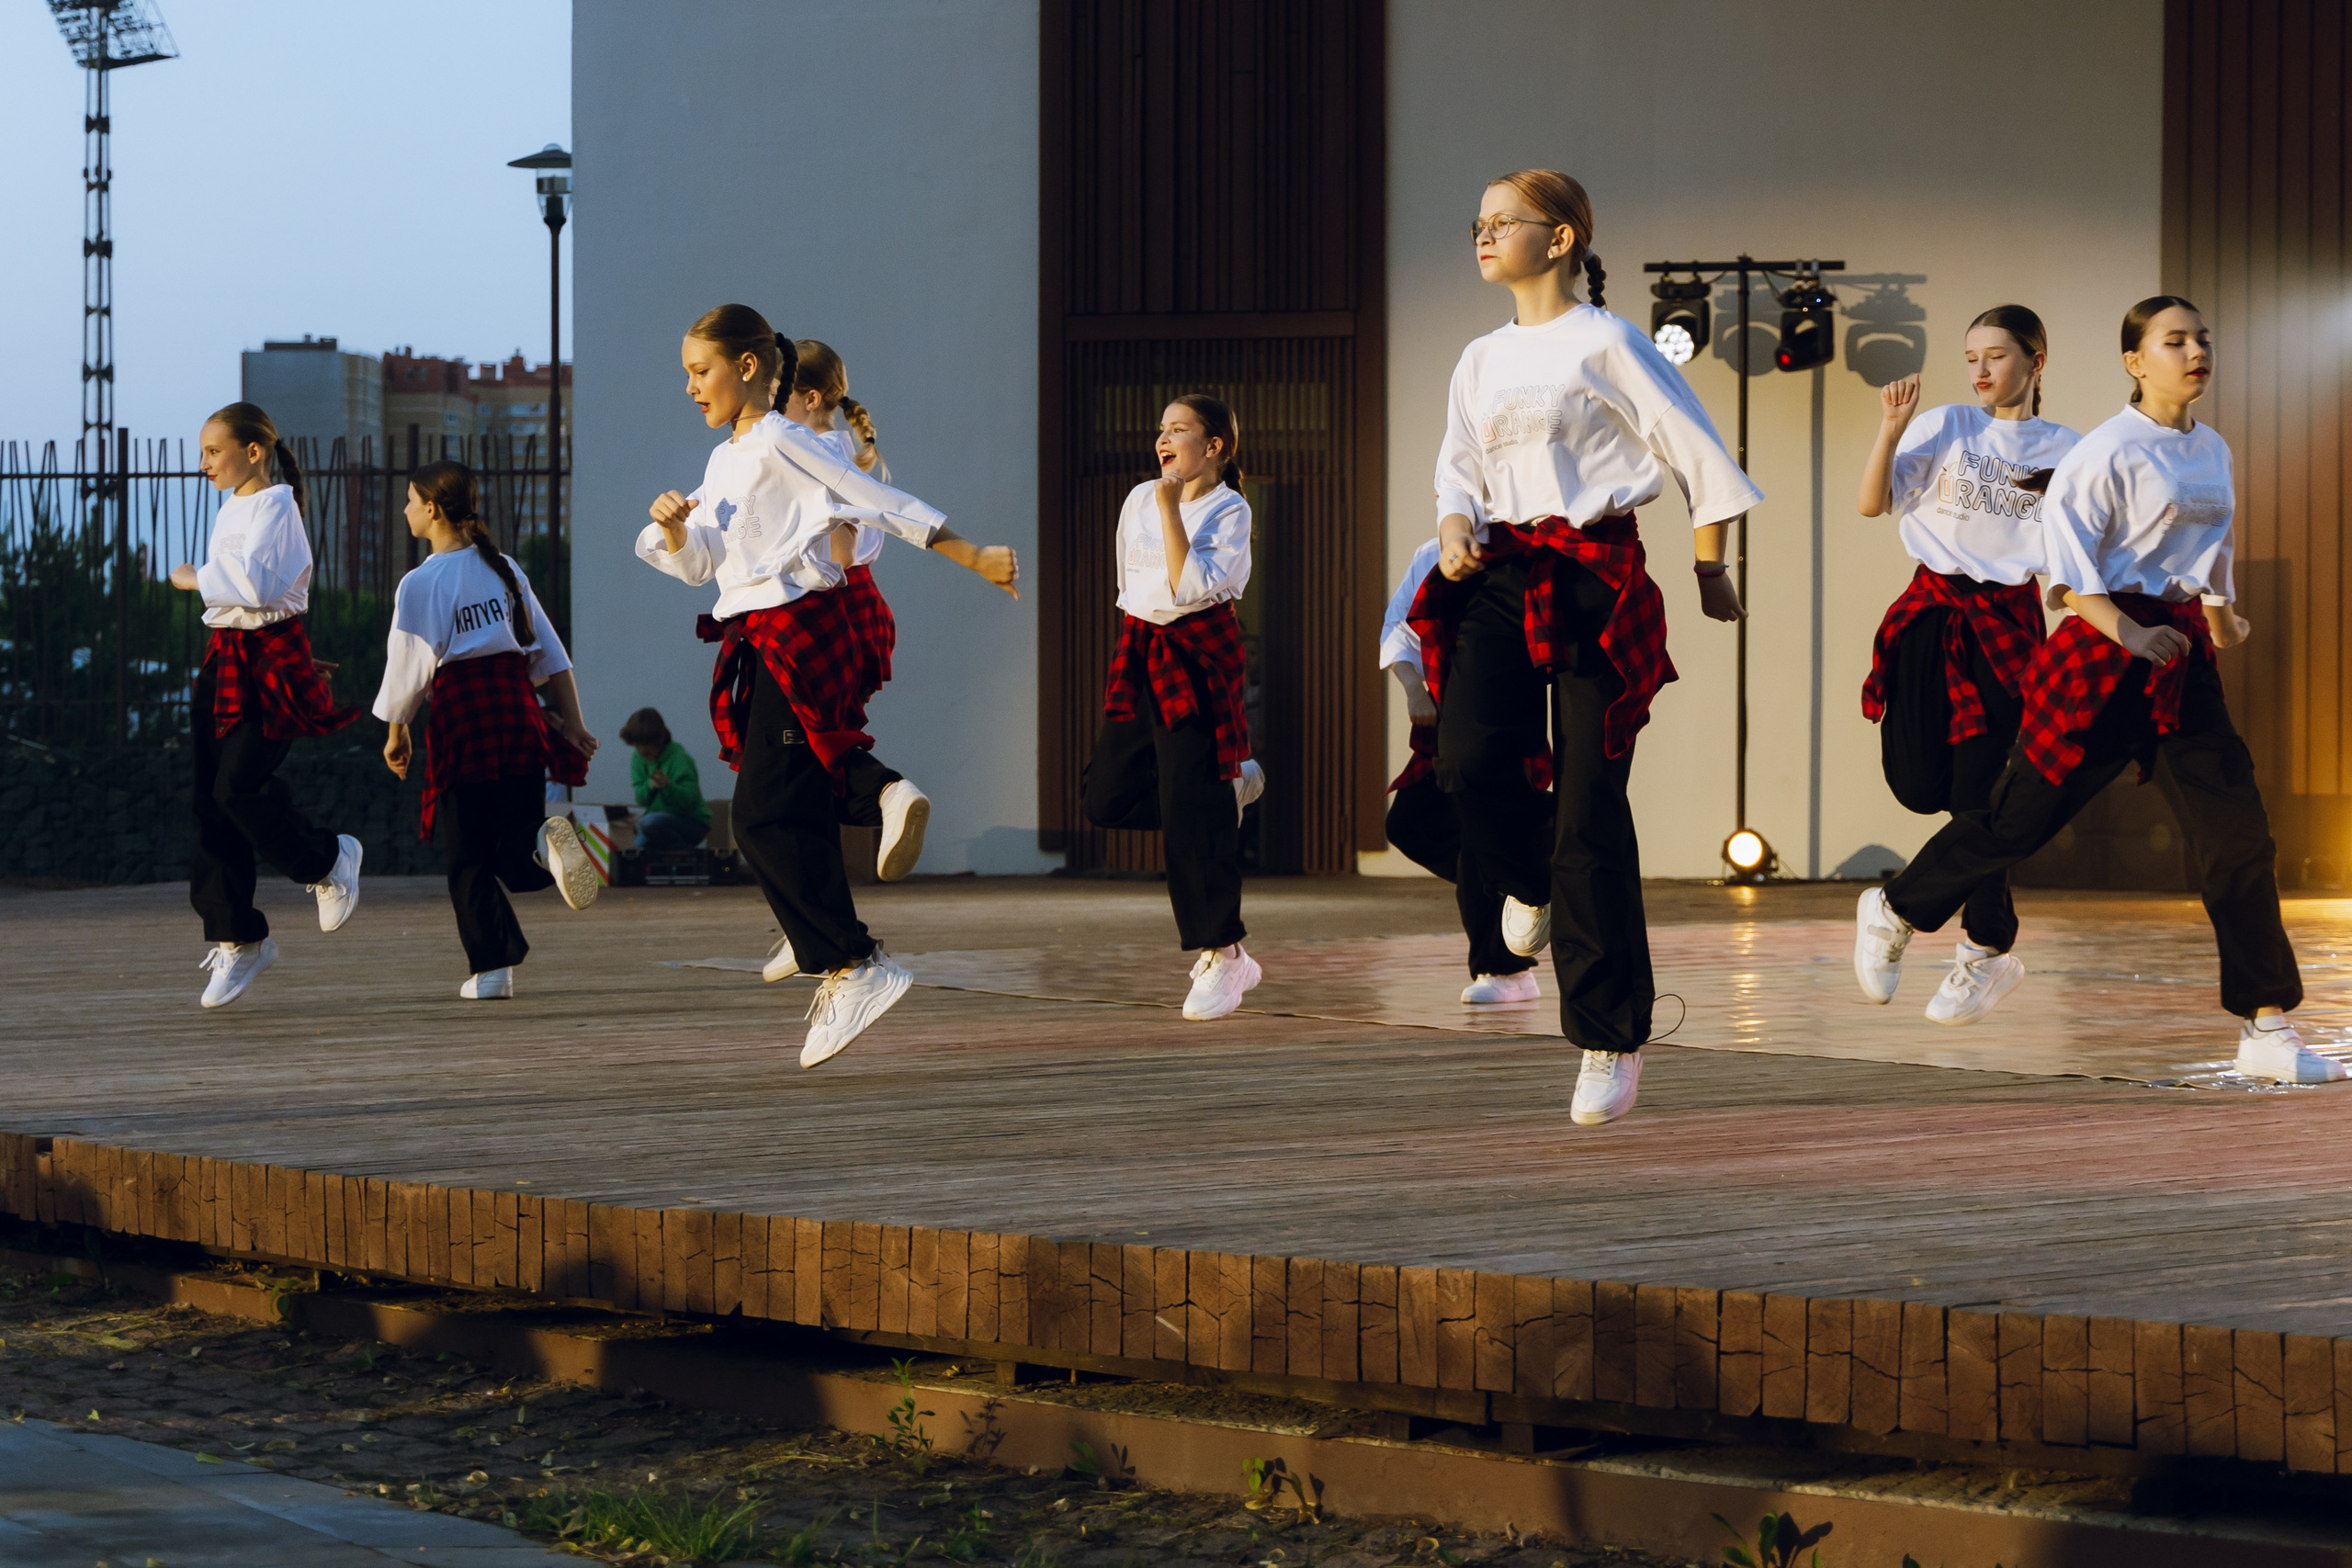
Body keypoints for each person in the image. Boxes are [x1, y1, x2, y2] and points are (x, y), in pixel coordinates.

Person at [1855, 297, 2341, 1085]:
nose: (2194, 352)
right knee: (2015, 822)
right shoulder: (2102, 453)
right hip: (2100, 657)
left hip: (2176, 661)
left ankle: (2266, 1021)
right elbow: (2071, 574)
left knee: (2238, 835)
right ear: (2134, 361)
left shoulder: (2210, 448)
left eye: (2201, 339)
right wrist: (2130, 633)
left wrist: (2220, 615)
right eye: (2174, 341)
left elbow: (2213, 540)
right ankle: (1898, 907)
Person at [1418, 169, 1756, 1125]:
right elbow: (1458, 464)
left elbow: (1699, 457)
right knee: (1466, 761)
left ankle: (1609, 1035)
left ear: (1559, 239)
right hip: (1500, 574)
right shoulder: (1479, 356)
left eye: (1502, 222)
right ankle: (1527, 886)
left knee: (1590, 807)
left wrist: (1706, 572)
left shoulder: (1608, 342)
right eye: (1475, 222)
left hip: (1595, 579)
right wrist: (1451, 525)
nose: (1481, 235)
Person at [638, 303, 1020, 1067]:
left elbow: (871, 498)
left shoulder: (783, 438)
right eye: (685, 373)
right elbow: (705, 562)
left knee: (761, 816)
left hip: (801, 634)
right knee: (786, 802)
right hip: (757, 637)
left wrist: (969, 553)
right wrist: (679, 530)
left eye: (699, 370)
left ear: (748, 368)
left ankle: (854, 961)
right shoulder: (726, 458)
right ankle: (832, 926)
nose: (689, 387)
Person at [1853, 305, 2080, 1026]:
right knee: (1921, 786)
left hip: (2007, 626)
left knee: (1982, 795)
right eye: (1971, 355)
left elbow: (2068, 555)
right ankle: (1960, 936)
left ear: (2036, 361)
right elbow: (1870, 504)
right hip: (1930, 613)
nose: (1980, 370)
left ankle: (1983, 949)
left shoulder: (2066, 449)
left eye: (1997, 356)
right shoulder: (1943, 425)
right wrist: (1889, 429)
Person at [164, 402, 364, 1009]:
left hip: (263, 662)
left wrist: (193, 577)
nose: (203, 464)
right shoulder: (235, 507)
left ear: (254, 451)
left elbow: (254, 587)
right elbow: (253, 601)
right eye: (201, 452)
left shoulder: (277, 504)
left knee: (239, 787)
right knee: (211, 800)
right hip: (225, 658)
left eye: (213, 450)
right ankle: (237, 938)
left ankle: (328, 857)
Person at [376, 461, 599, 998]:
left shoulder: (421, 582)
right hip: (519, 714)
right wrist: (574, 723)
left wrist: (396, 732)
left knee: (469, 856)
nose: (405, 509)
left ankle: (493, 972)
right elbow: (551, 652)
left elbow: (409, 667)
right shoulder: (504, 568)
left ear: (431, 508)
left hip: (464, 721)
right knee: (513, 846)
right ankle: (544, 842)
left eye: (410, 500)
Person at [1082, 395, 1266, 1020]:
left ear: (1213, 447)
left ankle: (1226, 954)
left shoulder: (1229, 509)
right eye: (1160, 428)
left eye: (1179, 430)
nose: (1163, 438)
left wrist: (1169, 507)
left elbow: (1188, 589)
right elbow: (1131, 584)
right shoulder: (1137, 496)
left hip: (1197, 654)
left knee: (1194, 818)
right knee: (1104, 796)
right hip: (1142, 644)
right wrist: (1156, 501)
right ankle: (1223, 789)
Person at [1381, 536, 1545, 1004]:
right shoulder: (1431, 551)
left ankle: (1505, 970)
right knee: (1409, 824)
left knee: (1480, 833)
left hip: (1496, 713)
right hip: (1448, 707)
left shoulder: (1523, 545)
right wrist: (1414, 688)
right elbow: (1398, 626)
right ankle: (1527, 879)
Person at [619, 708, 711, 850]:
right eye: (637, 745)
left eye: (646, 746)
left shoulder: (680, 759)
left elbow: (689, 802)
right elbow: (641, 800)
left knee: (648, 823)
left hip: (692, 822)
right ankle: (678, 853)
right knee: (638, 849)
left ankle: (690, 853)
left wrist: (668, 786)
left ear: (658, 741)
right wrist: (650, 786)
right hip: (658, 823)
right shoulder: (637, 758)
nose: (642, 751)